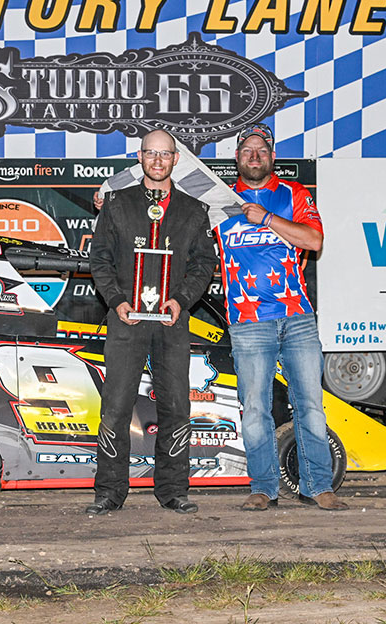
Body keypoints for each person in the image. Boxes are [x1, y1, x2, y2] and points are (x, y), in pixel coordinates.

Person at [216, 123, 348, 511]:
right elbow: (167, 221)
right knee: (255, 407)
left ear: (272, 157)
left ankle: (318, 486)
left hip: (297, 317)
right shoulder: (218, 203)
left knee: (310, 403)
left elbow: (314, 241)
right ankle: (263, 488)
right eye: (247, 150)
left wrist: (267, 219)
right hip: (248, 320)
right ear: (236, 158)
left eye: (262, 150)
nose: (254, 156)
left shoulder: (294, 194)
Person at [86, 129, 217, 515]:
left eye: (165, 155)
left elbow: (204, 264)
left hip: (172, 322)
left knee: (176, 405)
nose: (157, 161)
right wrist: (117, 301)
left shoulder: (194, 210)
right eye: (150, 154)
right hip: (126, 320)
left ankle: (174, 491)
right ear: (139, 157)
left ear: (176, 159)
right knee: (116, 406)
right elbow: (100, 260)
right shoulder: (117, 204)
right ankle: (109, 492)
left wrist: (181, 300)